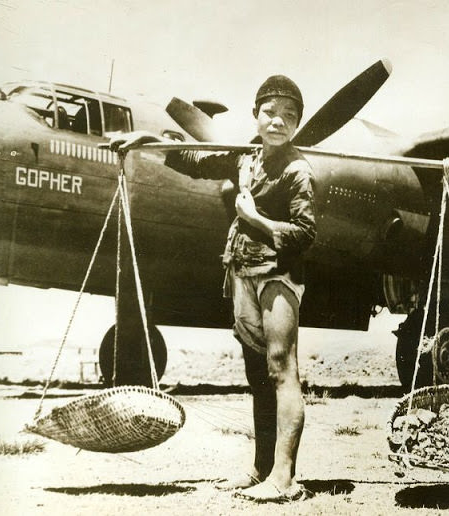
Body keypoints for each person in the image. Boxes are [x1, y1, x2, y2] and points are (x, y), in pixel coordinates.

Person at [110, 75, 316, 503]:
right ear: (256, 115)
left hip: (278, 276)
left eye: (289, 117)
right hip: (241, 270)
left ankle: (284, 479)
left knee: (281, 369)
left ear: (296, 125)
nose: (278, 122)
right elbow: (192, 160)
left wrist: (256, 219)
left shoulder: (298, 171)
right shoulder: (245, 159)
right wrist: (145, 140)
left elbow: (304, 234)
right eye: (271, 113)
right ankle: (260, 469)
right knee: (258, 377)